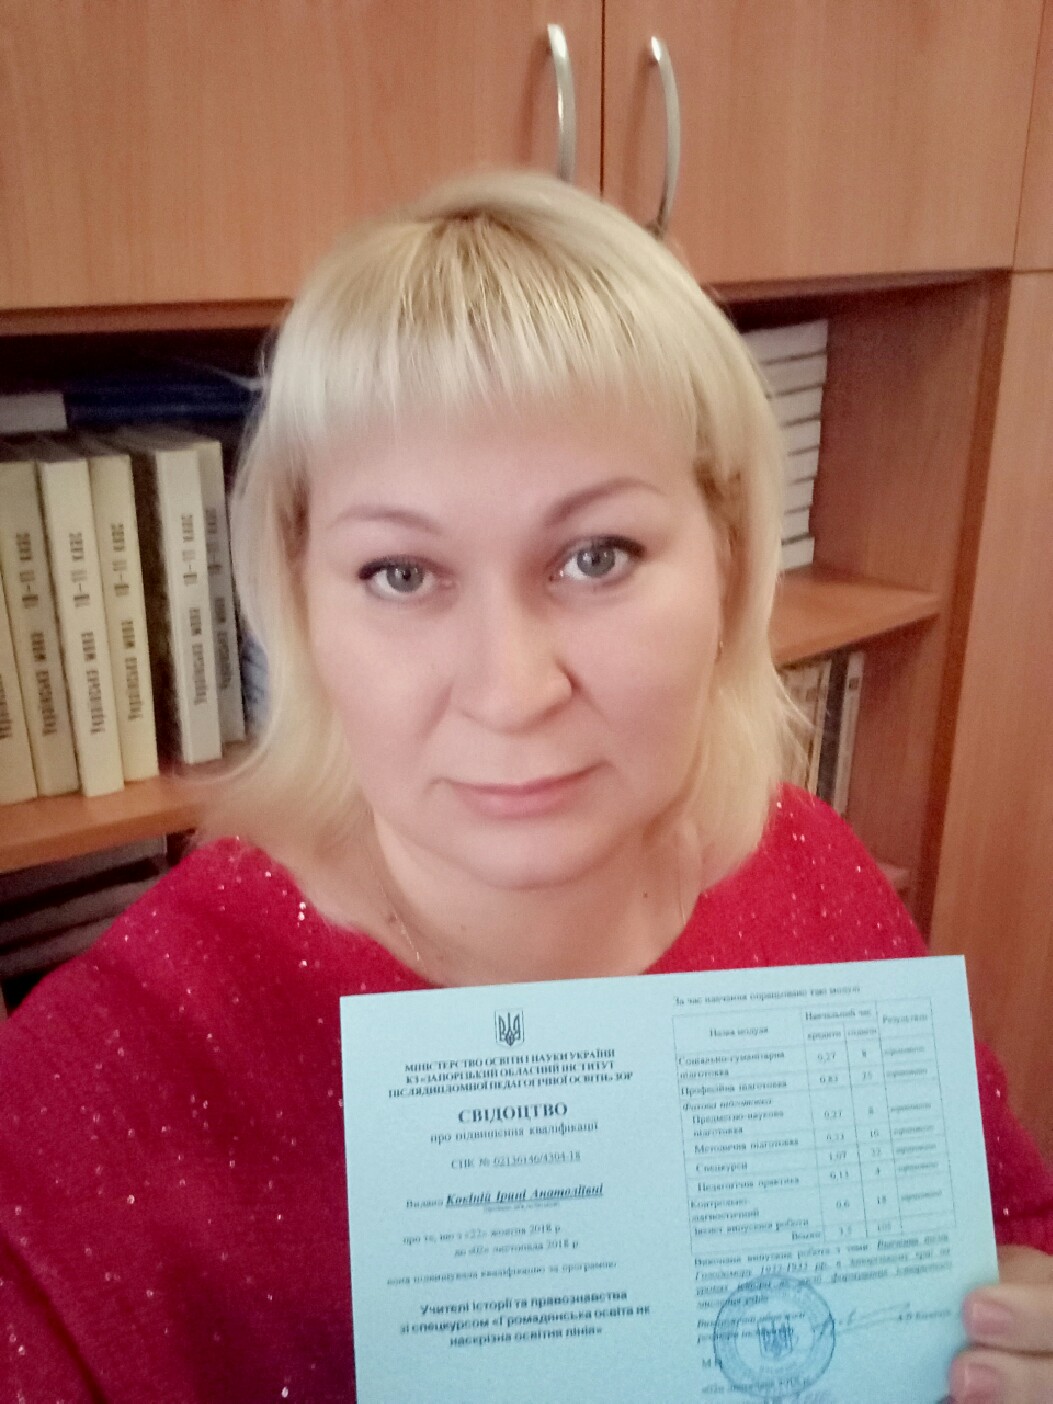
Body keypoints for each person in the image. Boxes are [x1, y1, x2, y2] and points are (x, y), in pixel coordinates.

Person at [1, 171, 1051, 1403]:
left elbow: (1003, 1223)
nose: (511, 692)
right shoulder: (101, 1080)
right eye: (401, 573)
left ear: (727, 563)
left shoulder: (811, 867)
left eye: (596, 555)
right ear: (299, 605)